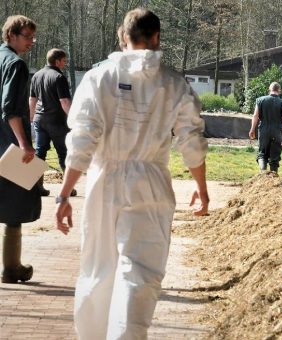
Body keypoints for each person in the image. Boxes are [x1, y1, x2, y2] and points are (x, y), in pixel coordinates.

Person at [55, 8, 209, 339]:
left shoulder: (98, 79)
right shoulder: (173, 84)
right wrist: (201, 188)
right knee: (140, 271)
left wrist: (64, 194)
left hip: (103, 180)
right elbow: (191, 139)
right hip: (150, 182)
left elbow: (82, 139)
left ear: (124, 38)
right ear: (156, 38)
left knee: (98, 266)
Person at [0, 15, 39, 284]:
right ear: (11, 34)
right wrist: (24, 144)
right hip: (9, 144)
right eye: (27, 37)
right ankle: (12, 269)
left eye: (32, 38)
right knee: (15, 208)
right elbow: (10, 108)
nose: (31, 42)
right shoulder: (16, 64)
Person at [30, 48, 76, 197]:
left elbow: (32, 100)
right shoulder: (58, 77)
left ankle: (38, 187)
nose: (65, 63)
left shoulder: (36, 75)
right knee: (63, 152)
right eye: (64, 60)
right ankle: (68, 188)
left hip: (39, 120)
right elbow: (64, 101)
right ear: (57, 61)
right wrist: (74, 120)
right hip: (56, 120)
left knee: (40, 152)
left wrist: (30, 118)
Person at [249, 82, 282, 172]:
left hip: (264, 130)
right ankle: (274, 178)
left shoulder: (260, 100)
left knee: (262, 153)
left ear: (269, 89)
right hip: (277, 132)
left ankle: (263, 173)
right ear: (279, 91)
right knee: (275, 155)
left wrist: (252, 129)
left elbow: (255, 115)